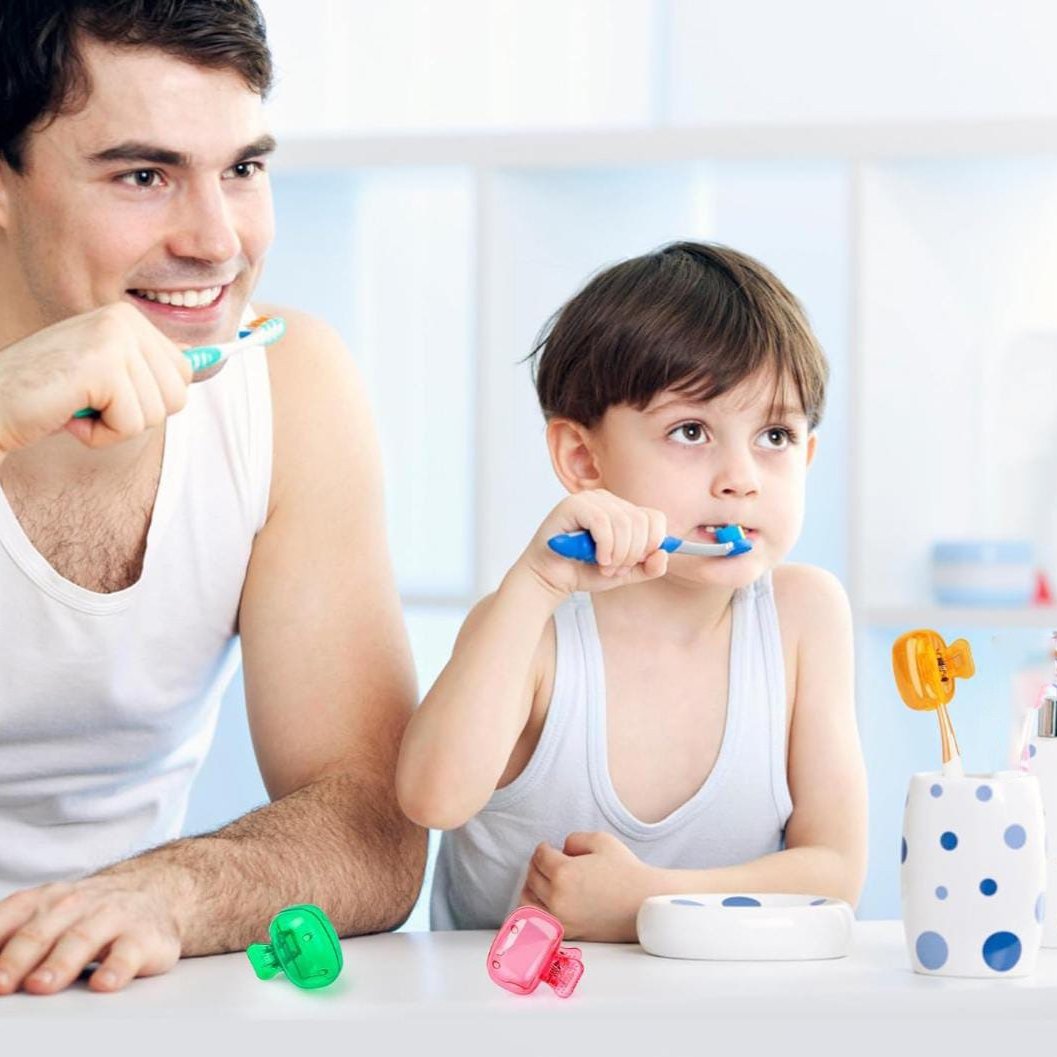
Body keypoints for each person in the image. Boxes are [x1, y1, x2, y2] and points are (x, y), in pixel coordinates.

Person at [0, 0, 425, 994]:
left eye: (241, 169)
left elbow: (372, 820)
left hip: (105, 995)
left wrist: (165, 895)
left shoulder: (289, 384)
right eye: (142, 176)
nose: (217, 241)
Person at [397, 241, 868, 939]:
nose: (740, 477)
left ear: (806, 454)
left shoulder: (803, 617)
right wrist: (531, 585)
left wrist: (646, 900)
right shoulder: (532, 625)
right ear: (582, 458)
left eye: (773, 433)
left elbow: (833, 874)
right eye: (690, 430)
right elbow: (431, 799)